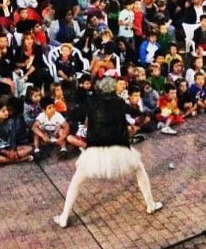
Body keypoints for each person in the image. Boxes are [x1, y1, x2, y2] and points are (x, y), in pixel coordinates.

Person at [53, 77, 163, 228]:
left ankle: (64, 217)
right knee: (139, 169)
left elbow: (73, 115)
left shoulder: (91, 102)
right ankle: (150, 204)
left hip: (95, 151)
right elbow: (134, 111)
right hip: (119, 150)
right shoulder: (118, 102)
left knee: (76, 182)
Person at [0, 97, 34, 165]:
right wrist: (5, 152)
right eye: (3, 111)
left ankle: (4, 161)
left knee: (30, 148)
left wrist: (12, 150)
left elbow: (12, 138)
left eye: (6, 110)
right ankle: (20, 160)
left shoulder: (10, 122)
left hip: (8, 148)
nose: (7, 112)